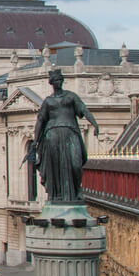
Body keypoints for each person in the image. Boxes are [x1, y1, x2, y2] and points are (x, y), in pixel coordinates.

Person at [31, 68, 101, 203]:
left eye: (60, 80)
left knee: (76, 163)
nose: (58, 82)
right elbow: (40, 120)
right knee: (55, 166)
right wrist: (36, 139)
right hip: (52, 135)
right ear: (51, 83)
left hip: (70, 132)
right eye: (55, 80)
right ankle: (56, 194)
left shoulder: (71, 96)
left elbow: (84, 109)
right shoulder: (48, 101)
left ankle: (76, 190)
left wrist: (94, 124)